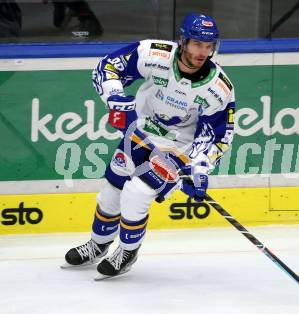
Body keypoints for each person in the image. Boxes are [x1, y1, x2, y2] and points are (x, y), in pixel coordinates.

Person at [62, 12, 235, 279]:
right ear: (183, 41)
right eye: (198, 44)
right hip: (140, 133)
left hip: (179, 148)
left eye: (209, 45)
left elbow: (217, 136)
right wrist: (116, 98)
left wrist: (199, 168)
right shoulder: (155, 54)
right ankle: (98, 245)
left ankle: (127, 251)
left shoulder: (218, 88)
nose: (203, 52)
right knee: (111, 190)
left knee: (137, 192)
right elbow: (107, 67)